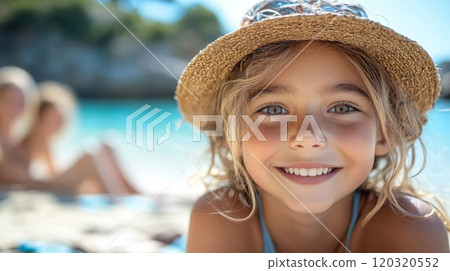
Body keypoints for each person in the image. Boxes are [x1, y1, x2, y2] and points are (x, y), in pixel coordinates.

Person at [175, 0, 450, 252]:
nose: (308, 137)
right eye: (273, 109)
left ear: (385, 132)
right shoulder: (219, 217)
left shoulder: (413, 229)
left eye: (343, 108)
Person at [0, 78, 138, 196]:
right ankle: (120, 197)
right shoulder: (27, 137)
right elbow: (22, 178)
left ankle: (134, 194)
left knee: (107, 145)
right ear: (39, 118)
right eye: (53, 120)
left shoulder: (19, 136)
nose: (58, 125)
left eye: (60, 120)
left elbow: (51, 171)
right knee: (91, 156)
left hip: (40, 184)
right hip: (36, 186)